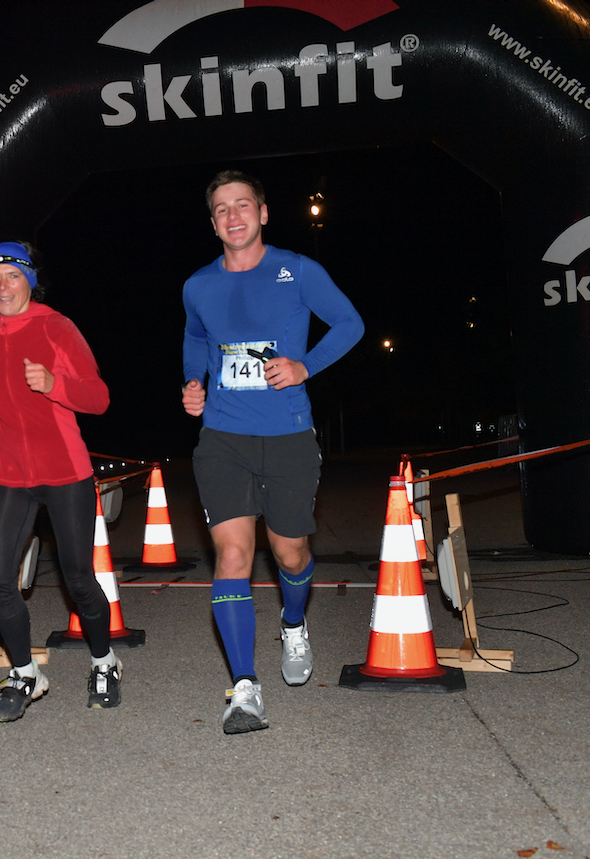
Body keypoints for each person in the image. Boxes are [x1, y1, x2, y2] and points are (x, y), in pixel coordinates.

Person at [181, 171, 364, 735]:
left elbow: (350, 323)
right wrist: (194, 383)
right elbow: (195, 338)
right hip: (223, 439)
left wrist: (305, 366)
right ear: (212, 222)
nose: (232, 216)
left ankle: (292, 623)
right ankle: (244, 689)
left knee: (289, 554)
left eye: (242, 206)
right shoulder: (198, 286)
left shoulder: (298, 270)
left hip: (286, 433)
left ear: (262, 212)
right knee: (232, 556)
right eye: (220, 209)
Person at [0, 240, 120, 722]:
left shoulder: (56, 327)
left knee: (79, 579)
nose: (2, 286)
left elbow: (98, 398)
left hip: (66, 471)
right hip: (10, 475)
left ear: (30, 279)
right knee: (0, 583)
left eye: (12, 275)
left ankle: (104, 661)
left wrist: (55, 385)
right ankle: (26, 673)